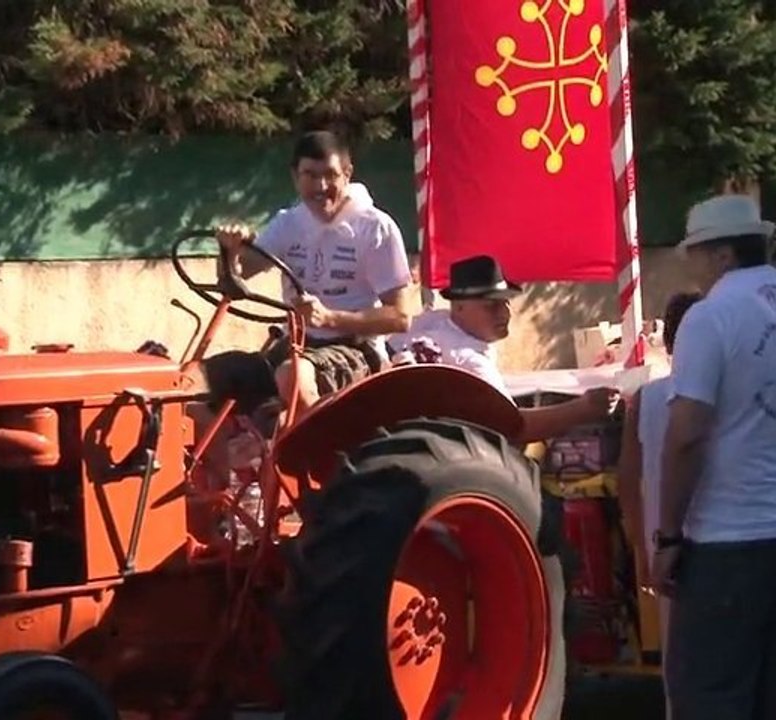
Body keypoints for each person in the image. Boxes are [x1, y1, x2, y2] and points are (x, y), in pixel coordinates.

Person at [652, 194, 776, 720]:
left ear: (720, 255)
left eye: (696, 258)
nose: (695, 272)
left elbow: (686, 437)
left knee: (710, 695)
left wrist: (669, 535)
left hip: (729, 540)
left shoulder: (713, 317)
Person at [215, 130, 413, 416]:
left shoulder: (374, 228)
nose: (320, 186)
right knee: (205, 378)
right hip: (295, 343)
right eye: (310, 175)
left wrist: (331, 318)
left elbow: (401, 317)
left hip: (354, 348)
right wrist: (230, 250)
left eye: (330, 175)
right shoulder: (288, 223)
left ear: (347, 174)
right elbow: (234, 278)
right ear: (295, 177)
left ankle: (316, 457)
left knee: (292, 376)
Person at [389, 254, 618, 442]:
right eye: (491, 306)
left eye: (506, 303)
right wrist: (585, 408)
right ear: (458, 307)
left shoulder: (429, 322)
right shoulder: (469, 360)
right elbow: (513, 428)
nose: (504, 314)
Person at [615, 290, 701, 720]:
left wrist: (641, 549)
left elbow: (627, 481)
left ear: (667, 344)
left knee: (680, 660)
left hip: (664, 544)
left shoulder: (646, 400)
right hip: (734, 539)